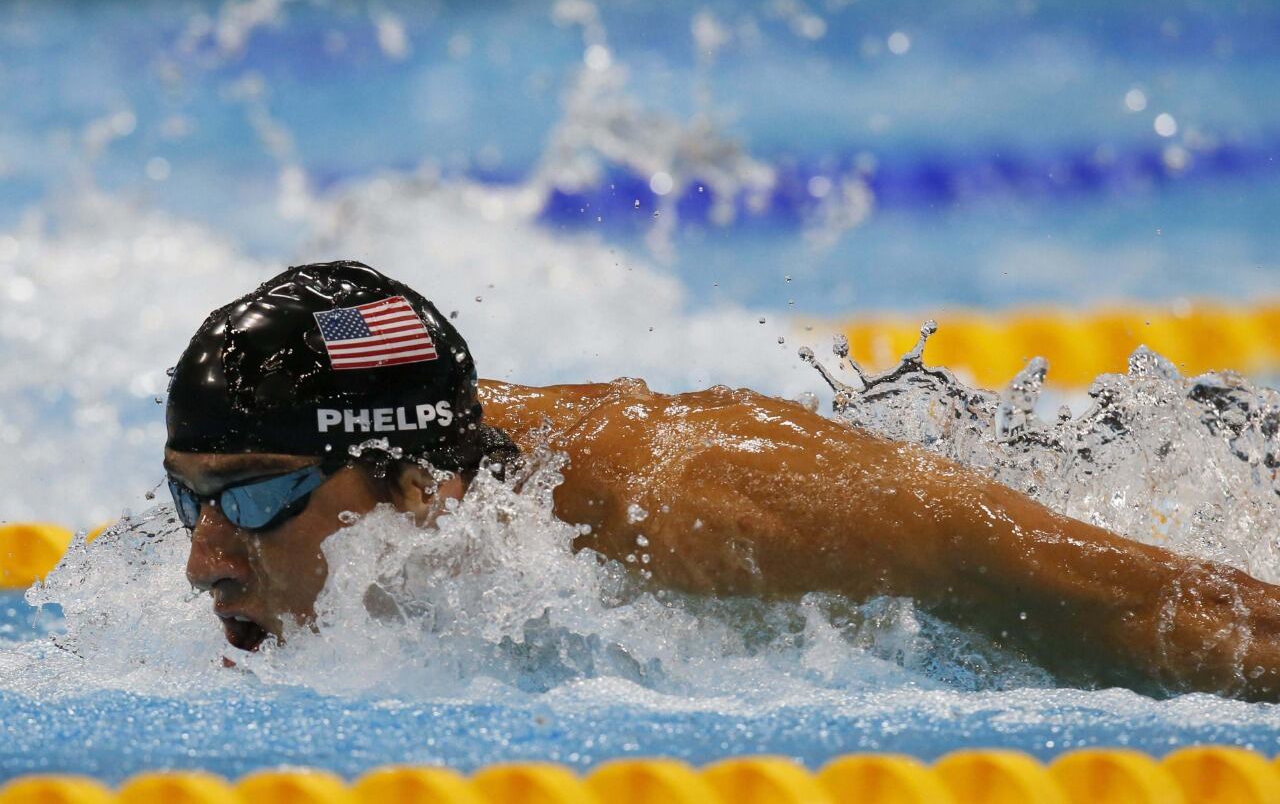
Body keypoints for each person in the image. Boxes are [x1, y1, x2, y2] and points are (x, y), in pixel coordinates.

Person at [166, 261, 1280, 700]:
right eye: (188, 496)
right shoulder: (335, 483)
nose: (202, 561)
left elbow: (1149, 604)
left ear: (415, 484)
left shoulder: (702, 507)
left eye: (255, 499)